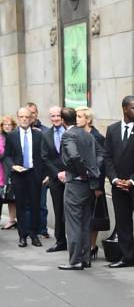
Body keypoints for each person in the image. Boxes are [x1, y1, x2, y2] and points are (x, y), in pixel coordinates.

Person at [104, 95, 134, 270]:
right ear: (125, 109)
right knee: (123, 222)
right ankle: (127, 257)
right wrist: (115, 179)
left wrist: (132, 180)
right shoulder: (112, 130)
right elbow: (107, 157)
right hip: (118, 186)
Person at [59, 107, 102, 270]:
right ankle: (85, 258)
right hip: (87, 185)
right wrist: (93, 171)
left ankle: (76, 260)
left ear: (63, 120)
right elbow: (100, 154)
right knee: (84, 222)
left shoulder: (69, 134)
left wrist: (84, 172)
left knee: (74, 224)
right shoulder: (87, 134)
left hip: (76, 184)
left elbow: (74, 155)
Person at [4, 107, 44, 247]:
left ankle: (34, 234)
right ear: (18, 118)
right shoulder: (12, 135)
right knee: (20, 205)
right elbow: (7, 155)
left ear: (31, 118)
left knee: (35, 204)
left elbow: (43, 156)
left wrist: (44, 175)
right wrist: (12, 166)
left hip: (34, 174)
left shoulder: (38, 135)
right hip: (18, 174)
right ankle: (22, 235)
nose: (24, 119)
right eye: (21, 117)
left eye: (27, 117)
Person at [76, 107, 109, 260]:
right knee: (83, 215)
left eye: (79, 116)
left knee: (94, 216)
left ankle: (91, 246)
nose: (77, 119)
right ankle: (86, 246)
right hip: (81, 183)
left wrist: (97, 186)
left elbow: (101, 164)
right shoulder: (77, 135)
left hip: (94, 183)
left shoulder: (97, 137)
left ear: (88, 119)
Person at [41, 106, 67, 252]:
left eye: (58, 115)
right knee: (58, 210)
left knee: (70, 212)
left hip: (71, 177)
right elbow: (45, 157)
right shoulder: (46, 135)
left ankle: (75, 242)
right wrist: (57, 173)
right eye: (53, 116)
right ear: (49, 118)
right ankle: (60, 241)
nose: (56, 118)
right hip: (56, 179)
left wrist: (67, 172)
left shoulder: (70, 132)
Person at [27, 102, 50, 239]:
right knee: (28, 204)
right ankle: (30, 230)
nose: (31, 115)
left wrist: (47, 174)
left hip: (41, 174)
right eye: (28, 113)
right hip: (26, 173)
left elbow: (49, 155)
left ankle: (42, 230)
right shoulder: (20, 132)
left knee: (41, 204)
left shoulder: (45, 131)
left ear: (37, 113)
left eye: (33, 112)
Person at [0, 115, 18, 230]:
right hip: (1, 171)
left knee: (12, 197)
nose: (7, 126)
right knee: (0, 196)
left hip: (13, 170)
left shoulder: (15, 137)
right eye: (5, 124)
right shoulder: (0, 137)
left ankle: (12, 220)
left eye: (9, 124)